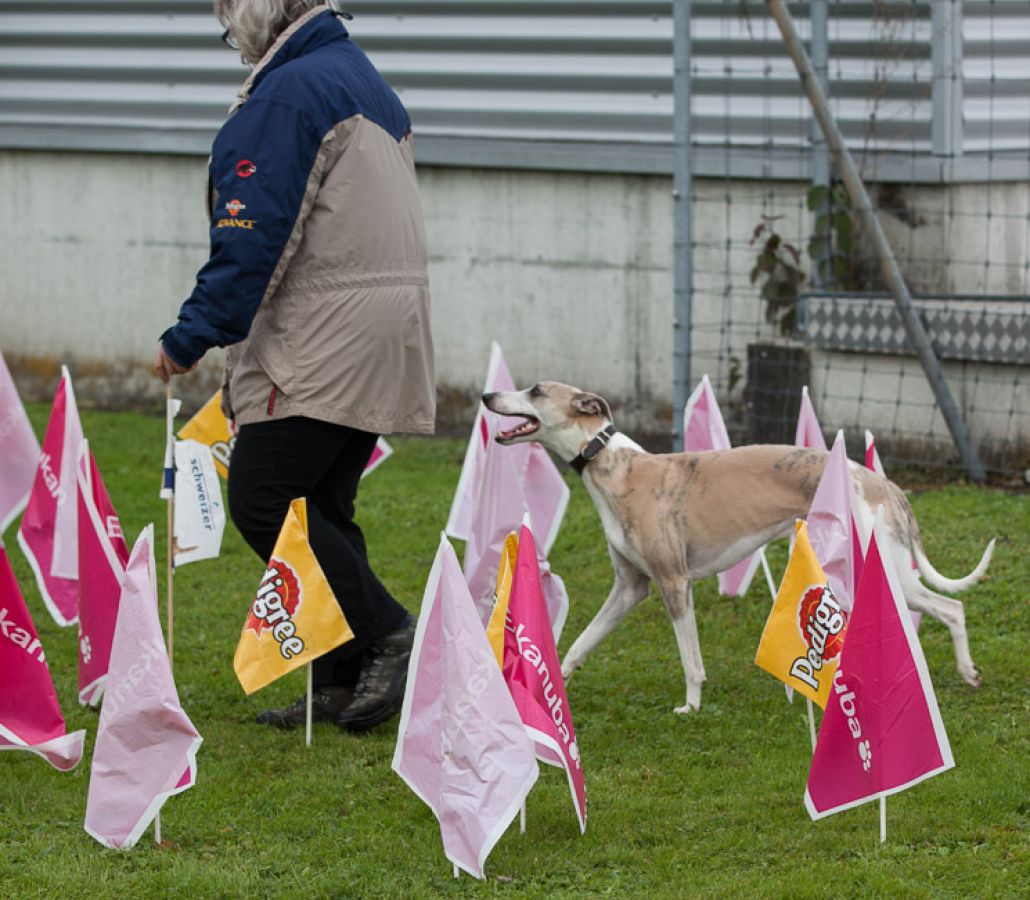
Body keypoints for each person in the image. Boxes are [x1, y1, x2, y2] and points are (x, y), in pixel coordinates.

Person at [154, 0, 435, 733]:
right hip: (381, 328)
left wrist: (193, 332)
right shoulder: (358, 76)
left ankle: (391, 633)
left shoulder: (288, 93)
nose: (231, 37)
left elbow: (253, 229)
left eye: (228, 17)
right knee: (321, 507)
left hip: (322, 334)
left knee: (263, 497)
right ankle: (340, 677)